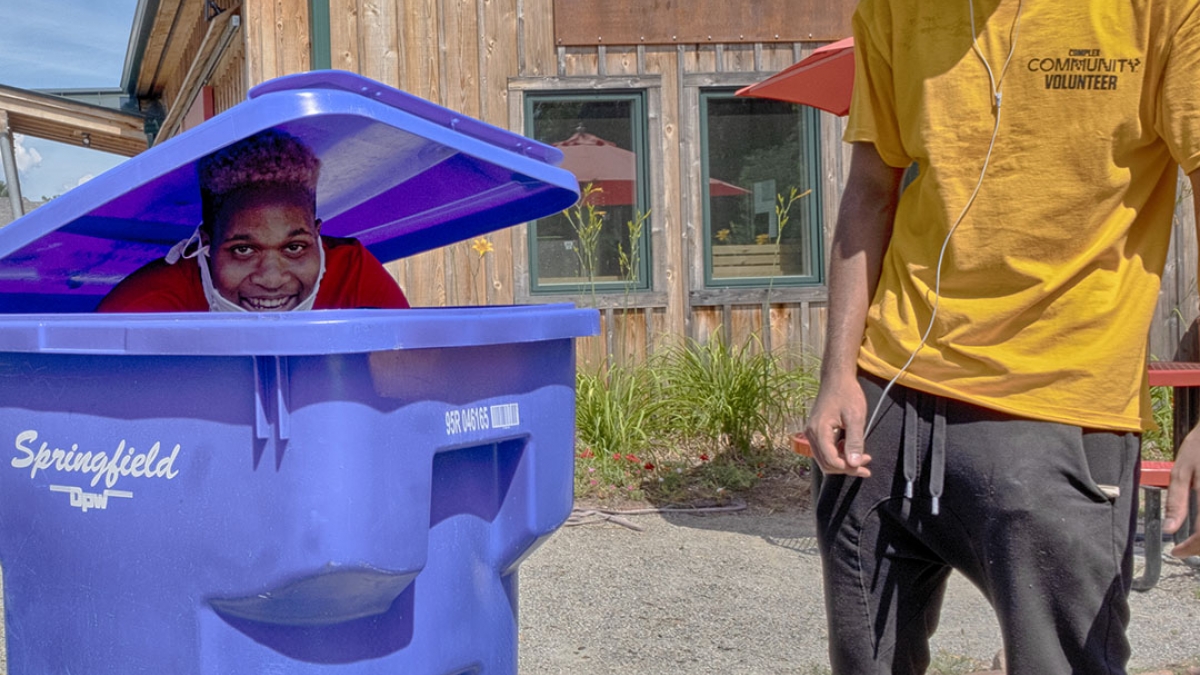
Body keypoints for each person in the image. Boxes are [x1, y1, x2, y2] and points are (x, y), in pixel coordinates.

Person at [803, 1, 1200, 673]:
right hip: (885, 403)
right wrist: (838, 371)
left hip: (1056, 413)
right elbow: (871, 186)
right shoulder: (895, 10)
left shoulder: (1160, 10)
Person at [97, 129, 410, 312]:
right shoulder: (149, 305)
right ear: (207, 244)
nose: (272, 279)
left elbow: (409, 389)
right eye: (243, 250)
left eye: (295, 247)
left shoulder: (352, 275)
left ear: (317, 236)